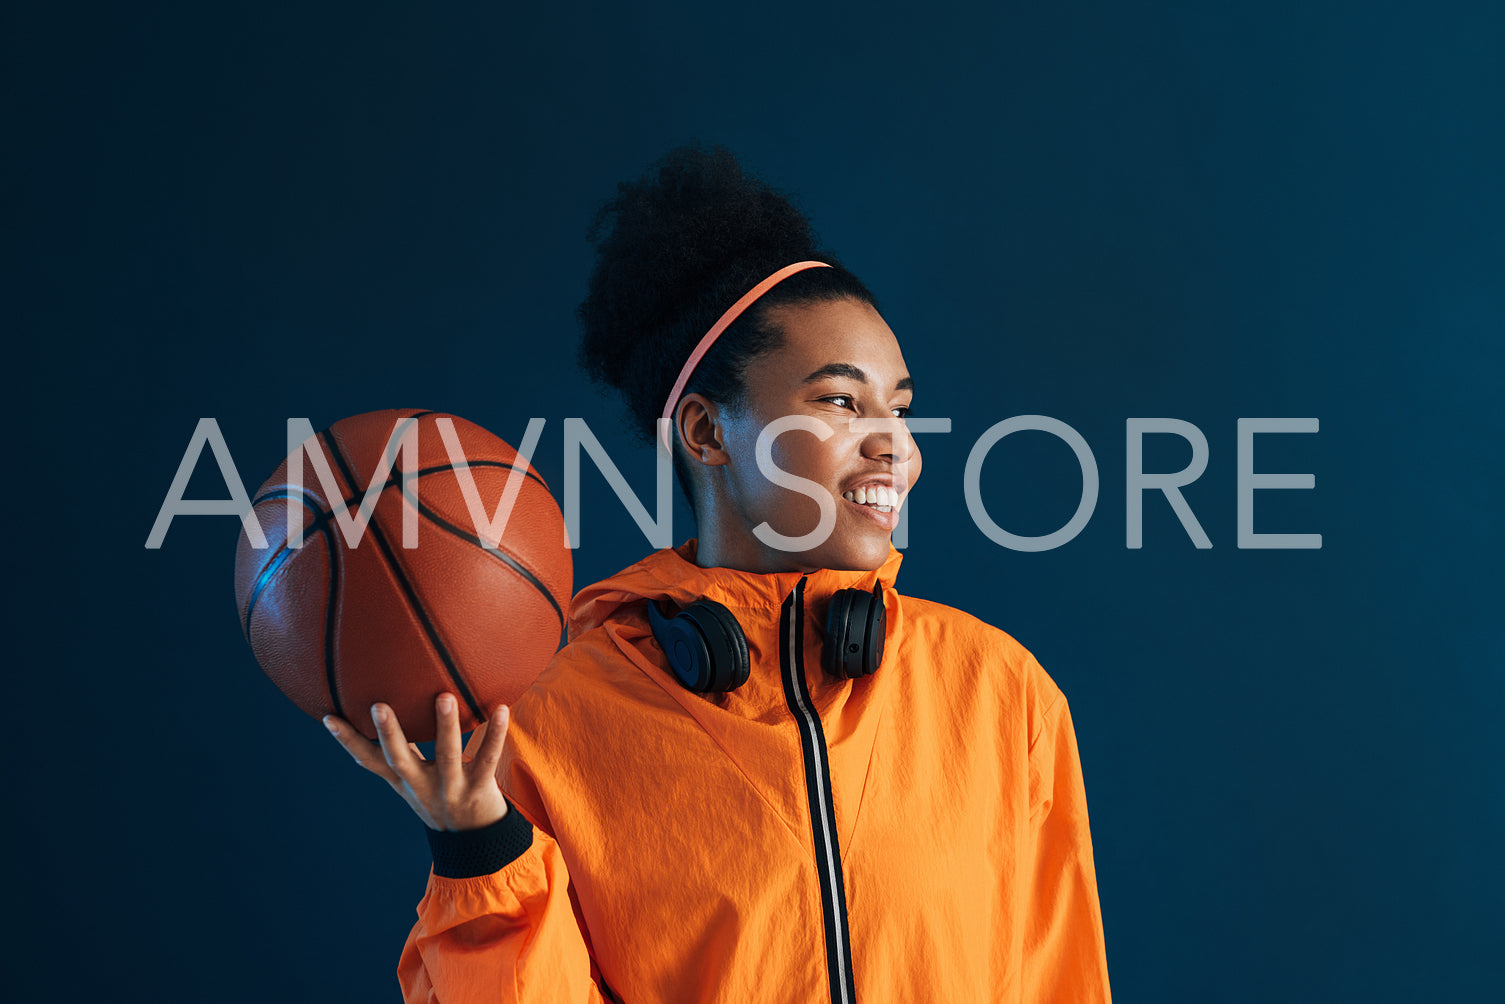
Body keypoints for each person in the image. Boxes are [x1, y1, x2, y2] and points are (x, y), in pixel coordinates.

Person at [323, 142, 1113, 1002]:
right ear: (705, 432)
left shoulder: (1000, 694)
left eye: (901, 407)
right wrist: (477, 843)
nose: (896, 445)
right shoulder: (546, 723)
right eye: (841, 401)